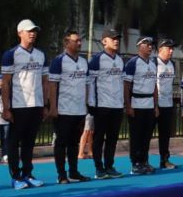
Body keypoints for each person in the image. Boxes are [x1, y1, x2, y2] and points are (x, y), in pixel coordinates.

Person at [1, 19, 49, 190]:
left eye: (34, 30)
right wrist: (6, 108)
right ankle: (16, 176)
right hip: (18, 105)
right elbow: (5, 83)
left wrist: (45, 105)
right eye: (29, 30)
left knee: (29, 143)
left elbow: (45, 82)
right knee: (14, 143)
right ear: (19, 32)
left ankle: (28, 174)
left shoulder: (41, 54)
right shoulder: (11, 54)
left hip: (36, 105)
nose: (32, 33)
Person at [49, 31, 91, 184]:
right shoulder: (59, 61)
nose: (79, 43)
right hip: (63, 109)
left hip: (79, 110)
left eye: (80, 40)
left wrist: (86, 105)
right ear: (66, 43)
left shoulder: (83, 62)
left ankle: (74, 172)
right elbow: (52, 85)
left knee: (74, 143)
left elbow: (86, 85)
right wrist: (53, 107)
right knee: (61, 143)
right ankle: (61, 174)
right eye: (76, 41)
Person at [89, 29, 125, 179]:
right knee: (99, 138)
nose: (116, 41)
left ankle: (109, 166)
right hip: (102, 105)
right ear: (104, 41)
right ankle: (99, 168)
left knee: (112, 139)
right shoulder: (97, 59)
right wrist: (91, 102)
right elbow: (91, 82)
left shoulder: (120, 60)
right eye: (112, 38)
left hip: (117, 106)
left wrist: (123, 103)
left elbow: (122, 83)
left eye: (117, 38)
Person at [123, 36, 158, 175]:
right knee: (136, 135)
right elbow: (127, 85)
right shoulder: (133, 63)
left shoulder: (153, 63)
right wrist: (128, 106)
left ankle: (144, 160)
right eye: (147, 44)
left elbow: (155, 86)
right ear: (139, 46)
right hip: (137, 103)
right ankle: (135, 162)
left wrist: (156, 106)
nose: (150, 47)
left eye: (151, 45)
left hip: (149, 104)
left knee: (146, 135)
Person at [152, 38, 177, 170]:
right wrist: (155, 105)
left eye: (172, 48)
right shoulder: (153, 63)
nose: (171, 51)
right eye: (169, 48)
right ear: (160, 49)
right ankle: (142, 161)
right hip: (154, 105)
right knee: (147, 134)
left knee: (165, 135)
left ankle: (165, 160)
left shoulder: (172, 64)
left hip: (168, 104)